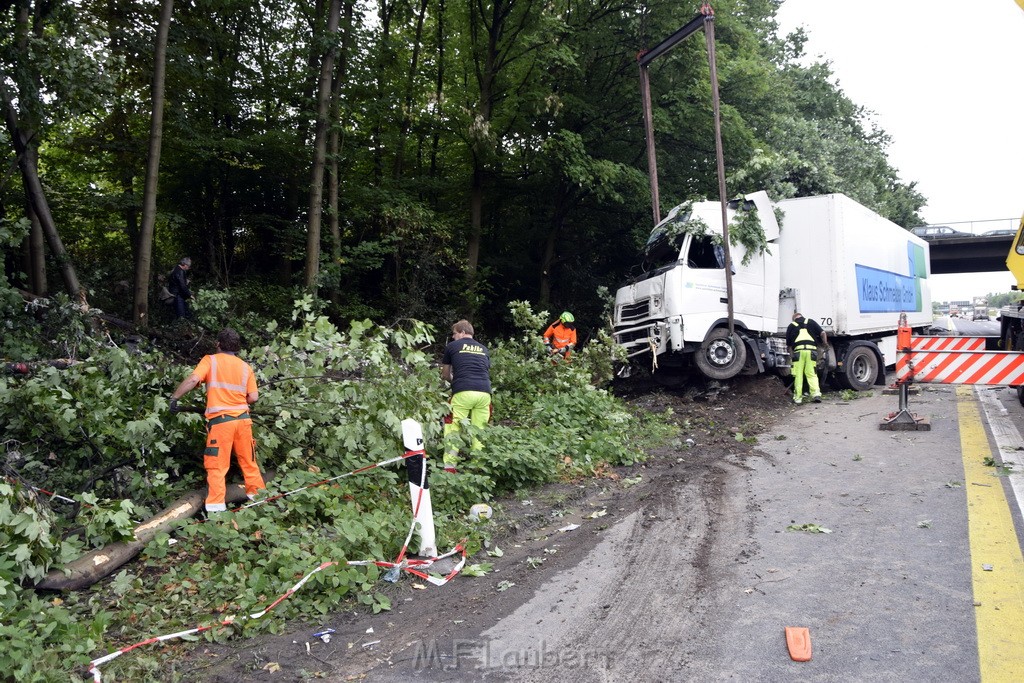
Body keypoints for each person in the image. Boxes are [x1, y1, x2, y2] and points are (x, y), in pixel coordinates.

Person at [169, 328, 266, 513]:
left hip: (222, 423)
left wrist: (174, 397)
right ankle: (260, 500)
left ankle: (215, 510)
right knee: (249, 461)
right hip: (243, 421)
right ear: (236, 348)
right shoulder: (246, 367)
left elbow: (193, 380)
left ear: (218, 344)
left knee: (217, 466)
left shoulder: (210, 361)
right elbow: (253, 397)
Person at [440, 320, 491, 470]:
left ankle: (449, 469)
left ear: (462, 332)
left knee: (452, 428)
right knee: (479, 430)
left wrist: (453, 381)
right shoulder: (483, 349)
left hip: (463, 392)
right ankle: (478, 468)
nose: (453, 337)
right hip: (484, 393)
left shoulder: (452, 347)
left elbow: (445, 374)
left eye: (454, 333)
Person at [786, 311, 827, 404]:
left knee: (798, 375)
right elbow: (823, 333)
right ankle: (816, 394)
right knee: (811, 373)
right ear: (802, 317)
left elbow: (788, 346)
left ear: (794, 319)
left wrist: (792, 356)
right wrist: (825, 344)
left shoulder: (791, 325)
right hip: (811, 351)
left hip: (798, 352)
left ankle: (798, 398)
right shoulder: (811, 322)